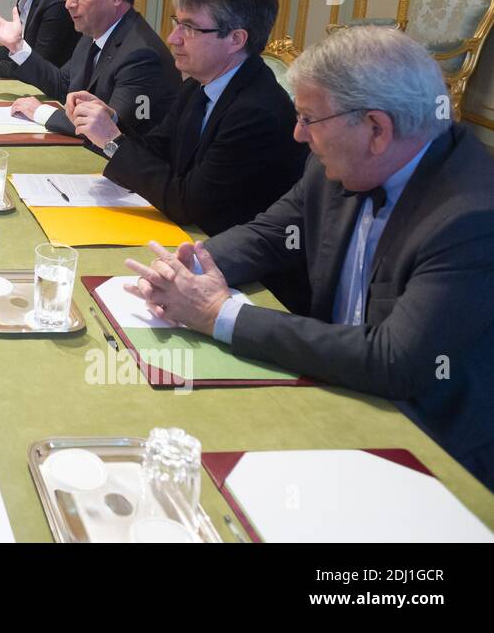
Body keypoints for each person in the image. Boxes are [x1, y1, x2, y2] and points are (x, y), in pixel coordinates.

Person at [124, 26, 494, 491]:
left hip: (431, 449)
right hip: (331, 386)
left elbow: (393, 361)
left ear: (376, 129)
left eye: (308, 118)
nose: (297, 134)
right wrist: (184, 268)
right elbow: (269, 235)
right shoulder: (340, 158)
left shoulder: (472, 216)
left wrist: (219, 314)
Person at [69, 0, 307, 235]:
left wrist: (113, 140)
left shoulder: (257, 111)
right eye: (177, 23)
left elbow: (186, 204)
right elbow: (160, 149)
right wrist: (111, 122)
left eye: (190, 28)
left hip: (230, 253)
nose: (173, 38)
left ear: (236, 39)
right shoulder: (199, 84)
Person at [0, 0, 179, 136]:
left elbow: (108, 127)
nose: (69, 3)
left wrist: (40, 112)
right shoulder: (92, 33)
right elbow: (62, 84)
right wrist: (17, 46)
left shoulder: (141, 55)